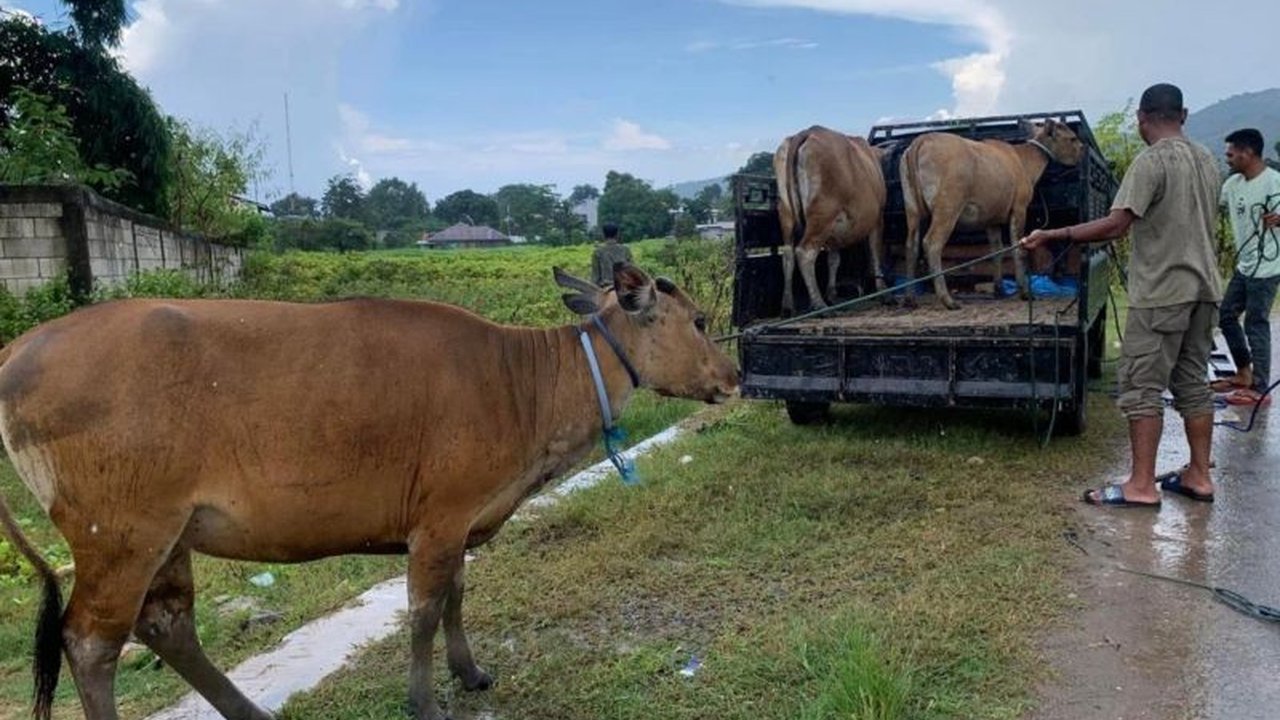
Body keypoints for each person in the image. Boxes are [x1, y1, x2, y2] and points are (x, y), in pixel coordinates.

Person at [1020, 83, 1222, 508]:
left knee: (1141, 387)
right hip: (1205, 290)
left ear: (1142, 119)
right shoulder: (1206, 159)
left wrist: (1053, 235)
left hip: (1163, 292)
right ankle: (1200, 476)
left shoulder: (1151, 161)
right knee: (1192, 383)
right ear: (1182, 115)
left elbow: (1116, 224)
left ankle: (1141, 486)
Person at [1211, 128, 1280, 406]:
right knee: (1226, 315)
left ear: (1247, 153)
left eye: (1231, 154)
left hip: (1269, 265)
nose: (1227, 158)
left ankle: (1260, 389)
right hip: (1245, 265)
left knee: (1256, 322)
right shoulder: (1233, 185)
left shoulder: (1275, 182)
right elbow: (1212, 206)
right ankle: (1243, 373)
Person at [591, 222, 634, 287]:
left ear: (603, 235)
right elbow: (632, 270)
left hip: (605, 287)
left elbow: (595, 277)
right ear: (617, 234)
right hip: (623, 286)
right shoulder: (625, 250)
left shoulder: (598, 252)